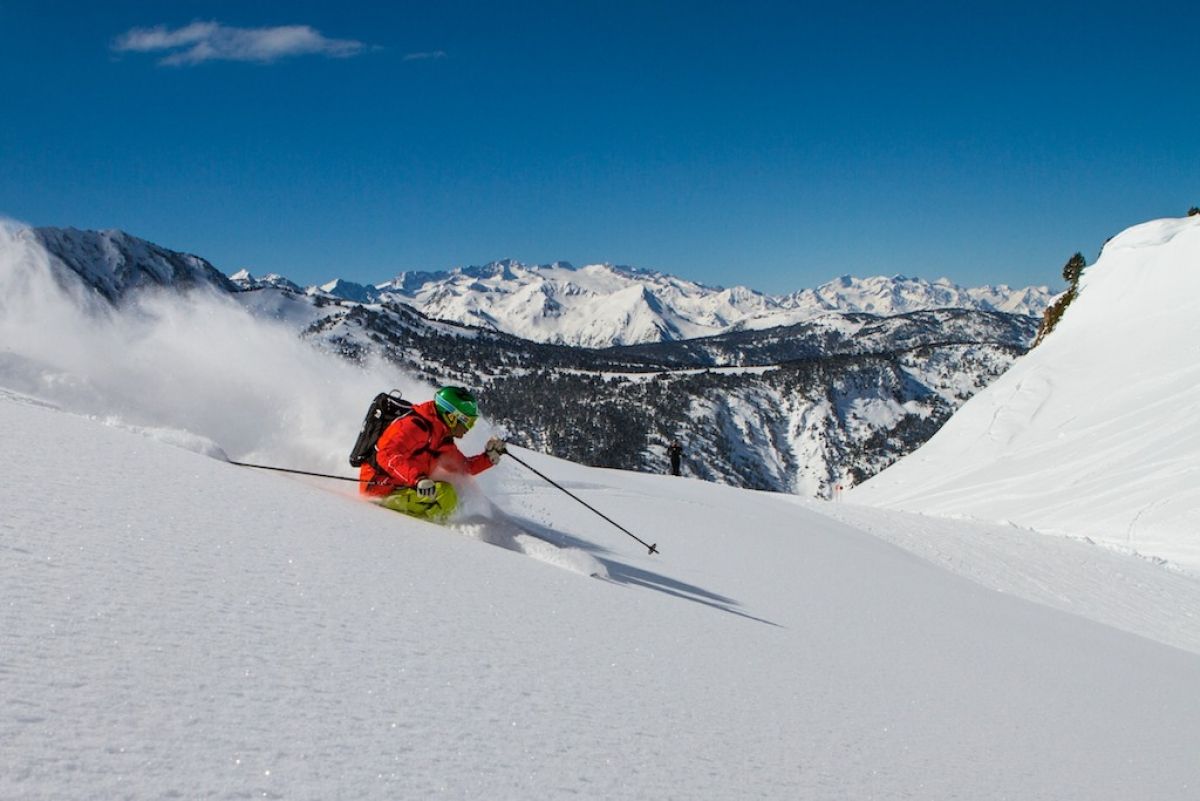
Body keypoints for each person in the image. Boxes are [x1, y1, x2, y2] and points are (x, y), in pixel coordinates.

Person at [358, 386, 506, 522]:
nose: (468, 428)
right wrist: (417, 479)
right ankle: (427, 532)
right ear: (451, 417)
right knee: (446, 494)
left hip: (404, 487)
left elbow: (463, 467)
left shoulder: (441, 437)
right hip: (381, 489)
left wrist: (489, 457)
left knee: (454, 494)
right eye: (467, 421)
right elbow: (386, 454)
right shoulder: (414, 426)